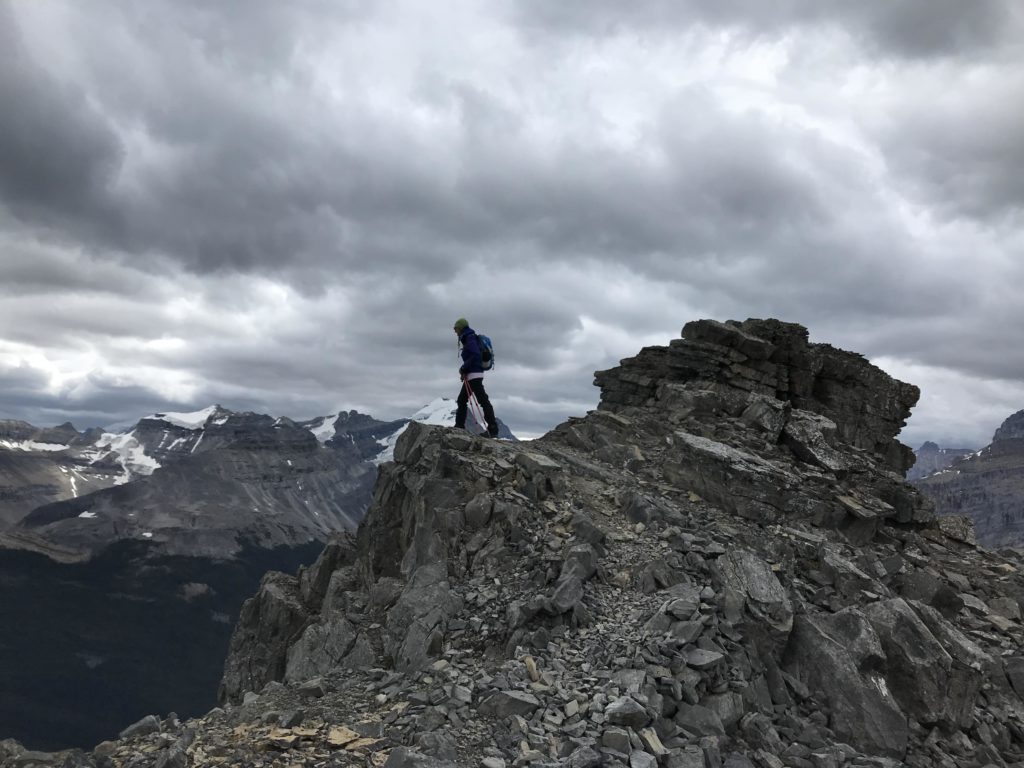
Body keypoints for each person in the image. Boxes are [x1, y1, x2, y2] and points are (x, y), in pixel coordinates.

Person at [453, 317, 500, 437]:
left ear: (461, 327)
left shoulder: (469, 337)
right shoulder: (468, 337)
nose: (455, 331)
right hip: (473, 374)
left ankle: (492, 429)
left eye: (456, 328)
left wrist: (464, 368)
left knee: (480, 400)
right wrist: (465, 370)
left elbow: (475, 354)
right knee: (467, 400)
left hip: (474, 374)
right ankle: (460, 426)